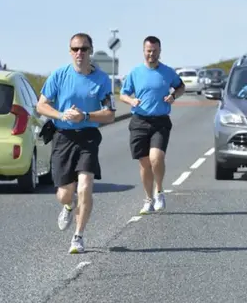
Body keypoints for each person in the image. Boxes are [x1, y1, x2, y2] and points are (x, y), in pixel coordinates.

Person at [36, 33, 115, 254]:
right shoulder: (59, 75)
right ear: (70, 51)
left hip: (88, 137)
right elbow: (41, 106)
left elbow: (109, 114)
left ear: (91, 51)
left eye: (84, 49)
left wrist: (86, 116)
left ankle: (78, 237)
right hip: (63, 137)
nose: (79, 53)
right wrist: (61, 115)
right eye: (75, 49)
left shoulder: (101, 79)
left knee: (85, 186)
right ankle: (68, 207)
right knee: (65, 193)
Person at [120, 36, 185, 215]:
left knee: (156, 158)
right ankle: (148, 198)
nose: (152, 54)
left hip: (160, 121)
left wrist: (173, 96)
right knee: (145, 163)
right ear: (143, 51)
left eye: (155, 51)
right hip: (139, 121)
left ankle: (159, 191)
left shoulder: (167, 72)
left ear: (160, 51)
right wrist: (131, 100)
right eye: (149, 51)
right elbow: (122, 94)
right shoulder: (135, 73)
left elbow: (181, 87)